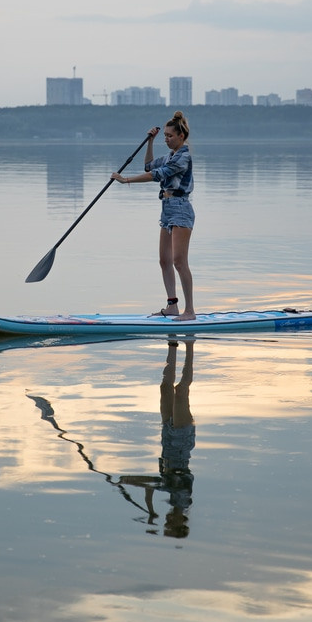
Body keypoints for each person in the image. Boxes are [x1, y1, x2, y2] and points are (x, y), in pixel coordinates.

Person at [112, 111, 195, 321]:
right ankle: (172, 306)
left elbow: (156, 175)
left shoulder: (183, 157)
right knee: (164, 260)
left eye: (170, 136)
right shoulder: (169, 156)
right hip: (166, 208)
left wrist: (126, 180)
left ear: (181, 136)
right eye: (165, 136)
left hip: (181, 208)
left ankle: (190, 311)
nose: (166, 139)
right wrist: (150, 141)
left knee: (179, 261)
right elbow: (149, 165)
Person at [119, 338, 196, 538]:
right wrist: (132, 481)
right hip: (181, 441)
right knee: (181, 391)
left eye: (166, 525)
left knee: (165, 387)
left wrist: (151, 510)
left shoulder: (170, 500)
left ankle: (172, 344)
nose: (167, 521)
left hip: (168, 441)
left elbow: (151, 488)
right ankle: (190, 344)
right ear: (180, 523)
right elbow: (157, 484)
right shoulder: (183, 501)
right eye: (170, 525)